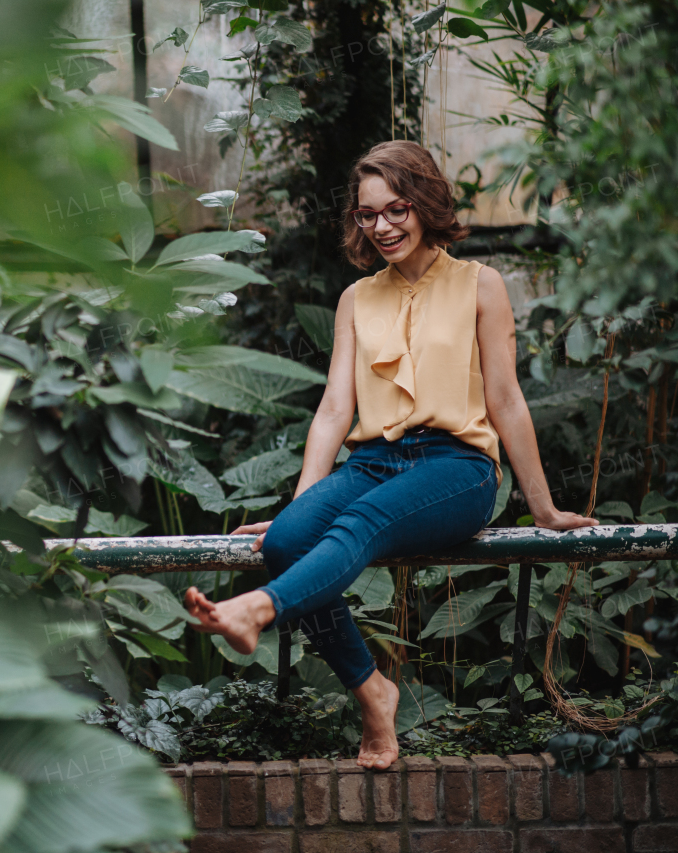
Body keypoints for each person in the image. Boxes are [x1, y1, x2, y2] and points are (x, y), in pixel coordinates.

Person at [183, 140, 598, 770]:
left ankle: (257, 609)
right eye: (367, 214)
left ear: (426, 203)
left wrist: (542, 508)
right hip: (372, 462)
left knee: (363, 525)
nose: (381, 226)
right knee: (286, 541)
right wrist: (304, 504)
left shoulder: (481, 285)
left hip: (457, 469)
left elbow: (508, 400)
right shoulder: (356, 299)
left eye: (396, 208)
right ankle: (373, 690)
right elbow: (332, 411)